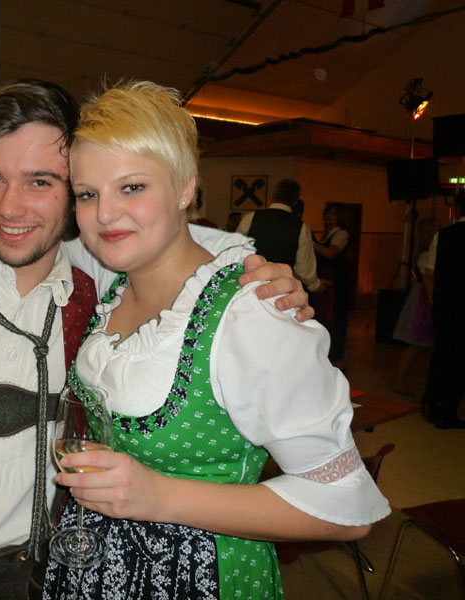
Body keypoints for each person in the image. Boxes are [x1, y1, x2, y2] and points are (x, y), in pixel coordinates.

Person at [0, 79, 313, 600]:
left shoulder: (102, 287)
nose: (8, 207)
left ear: (76, 192)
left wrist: (248, 271)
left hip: (56, 571)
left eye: (40, 182)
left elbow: (166, 238)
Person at [38, 81, 388, 599]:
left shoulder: (255, 315)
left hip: (204, 574)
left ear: (185, 187)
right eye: (88, 194)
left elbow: (347, 507)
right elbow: (23, 235)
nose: (105, 214)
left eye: (132, 187)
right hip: (98, 566)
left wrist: (158, 496)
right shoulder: (112, 275)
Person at [420, 190, 465, 429]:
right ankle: (447, 411)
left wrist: (434, 300)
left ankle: (430, 402)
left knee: (441, 354)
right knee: (460, 360)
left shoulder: (444, 235)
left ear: (457, 208)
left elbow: (428, 273)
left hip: (445, 305)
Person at [237, 179, 324, 293]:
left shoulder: (250, 218)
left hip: (248, 285)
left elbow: (234, 252)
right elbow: (304, 270)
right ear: (296, 200)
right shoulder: (301, 227)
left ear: (273, 195)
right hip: (280, 290)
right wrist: (316, 285)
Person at [392, 217, 439, 395]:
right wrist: (433, 302)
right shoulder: (426, 255)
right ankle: (399, 381)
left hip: (420, 297)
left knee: (425, 346)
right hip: (424, 301)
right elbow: (428, 282)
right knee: (418, 345)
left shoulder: (423, 254)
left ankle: (428, 383)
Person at [314, 203, 351, 366]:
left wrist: (310, 243)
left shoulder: (342, 234)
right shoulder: (325, 235)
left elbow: (330, 253)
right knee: (325, 316)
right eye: (327, 214)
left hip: (337, 281)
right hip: (326, 280)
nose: (329, 217)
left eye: (333, 214)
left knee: (335, 317)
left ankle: (335, 356)